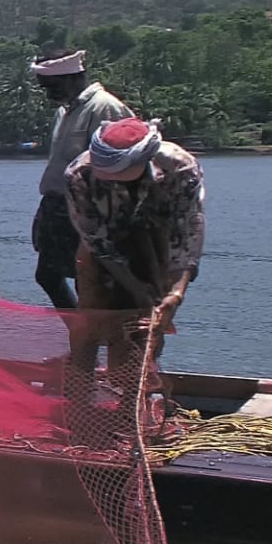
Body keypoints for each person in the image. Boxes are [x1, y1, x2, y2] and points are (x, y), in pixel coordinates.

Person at [65, 119, 204, 410]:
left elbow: (187, 235)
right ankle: (78, 403)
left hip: (156, 238)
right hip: (103, 245)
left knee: (148, 325)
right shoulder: (79, 174)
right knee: (89, 323)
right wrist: (136, 290)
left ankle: (132, 400)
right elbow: (97, 241)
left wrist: (173, 294)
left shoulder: (181, 169)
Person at [30, 49, 133, 310]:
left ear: (73, 78)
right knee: (48, 275)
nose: (48, 94)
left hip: (88, 209)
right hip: (58, 205)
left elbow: (120, 166)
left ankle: (88, 342)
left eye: (52, 86)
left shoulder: (104, 108)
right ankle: (80, 337)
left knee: (87, 279)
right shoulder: (65, 111)